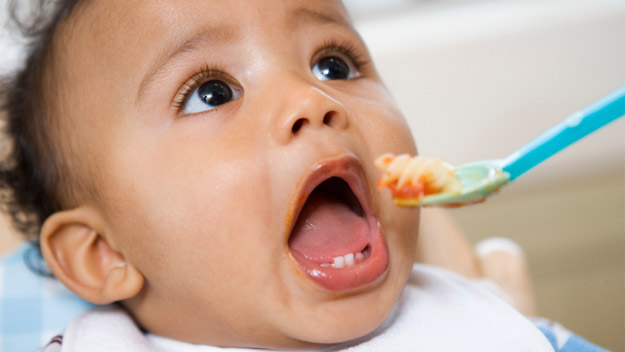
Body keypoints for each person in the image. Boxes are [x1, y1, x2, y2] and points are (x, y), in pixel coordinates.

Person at [0, 0, 608, 351]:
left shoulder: (487, 332)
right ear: (104, 252)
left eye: (333, 62)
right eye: (212, 93)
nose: (312, 100)